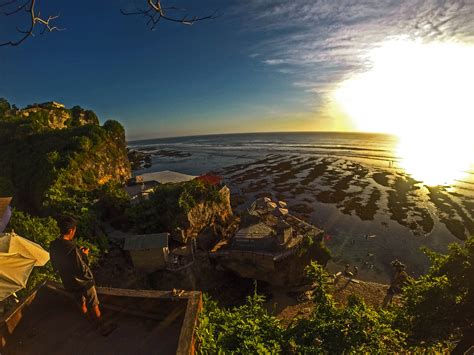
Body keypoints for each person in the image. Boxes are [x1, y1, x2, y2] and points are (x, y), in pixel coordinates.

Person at [50, 216, 115, 335]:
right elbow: (81, 269)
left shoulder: (53, 245)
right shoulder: (71, 248)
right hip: (83, 282)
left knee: (81, 303)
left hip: (68, 282)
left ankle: (92, 324)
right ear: (71, 231)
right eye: (74, 230)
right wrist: (84, 255)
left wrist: (77, 253)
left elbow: (56, 265)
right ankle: (103, 327)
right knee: (93, 304)